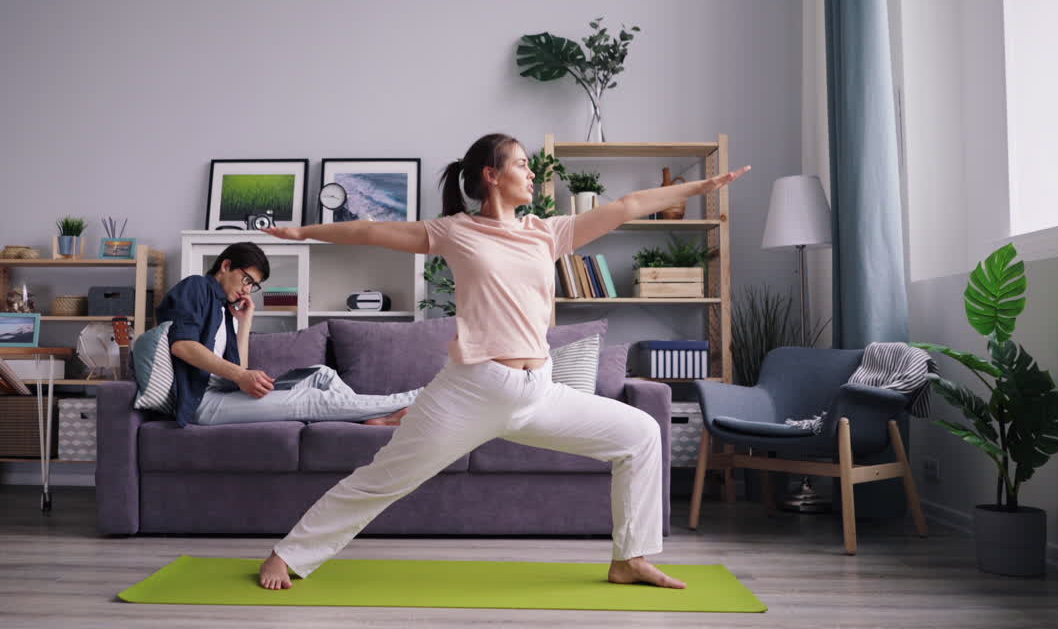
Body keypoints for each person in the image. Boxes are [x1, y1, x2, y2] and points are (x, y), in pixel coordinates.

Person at [257, 134, 751, 590]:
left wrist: (703, 185)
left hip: (539, 390)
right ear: (491, 175)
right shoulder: (455, 231)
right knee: (383, 478)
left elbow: (627, 206)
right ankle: (289, 554)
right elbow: (369, 230)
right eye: (520, 163)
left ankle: (630, 559)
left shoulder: (547, 233)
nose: (531, 173)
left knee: (641, 433)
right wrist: (303, 231)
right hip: (471, 390)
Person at [156, 242, 418, 428]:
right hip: (202, 402)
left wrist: (245, 323)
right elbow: (182, 346)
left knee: (321, 373)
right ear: (226, 266)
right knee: (310, 398)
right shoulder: (197, 287)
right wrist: (240, 375)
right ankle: (413, 399)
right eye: (247, 279)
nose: (248, 290)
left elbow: (238, 369)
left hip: (223, 391)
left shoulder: (225, 309)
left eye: (253, 285)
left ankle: (371, 420)